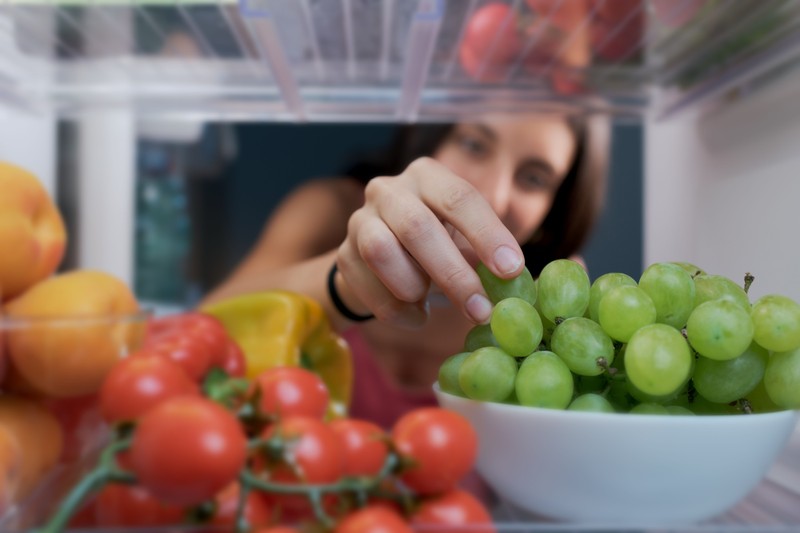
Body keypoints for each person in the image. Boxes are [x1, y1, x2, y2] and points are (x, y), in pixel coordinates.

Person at [202, 112, 610, 429]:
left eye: (534, 178)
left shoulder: (549, 308)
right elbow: (193, 346)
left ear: (554, 210)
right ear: (429, 138)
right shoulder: (327, 211)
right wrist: (348, 283)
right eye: (473, 144)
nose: (493, 194)